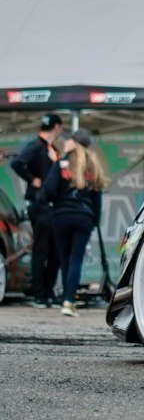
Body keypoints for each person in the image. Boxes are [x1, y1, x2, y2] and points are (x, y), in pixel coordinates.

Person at [43, 128, 108, 315]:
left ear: (74, 142)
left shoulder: (62, 163)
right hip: (83, 217)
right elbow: (97, 197)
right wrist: (95, 220)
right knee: (76, 259)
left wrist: (54, 202)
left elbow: (48, 189)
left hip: (61, 216)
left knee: (65, 260)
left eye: (69, 139)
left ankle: (66, 300)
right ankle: (69, 301)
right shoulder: (93, 165)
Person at [11, 111, 63, 307]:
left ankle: (48, 291)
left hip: (51, 206)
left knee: (55, 251)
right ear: (57, 127)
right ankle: (39, 293)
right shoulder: (36, 146)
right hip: (40, 206)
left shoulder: (50, 149)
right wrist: (32, 179)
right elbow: (17, 163)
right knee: (41, 249)